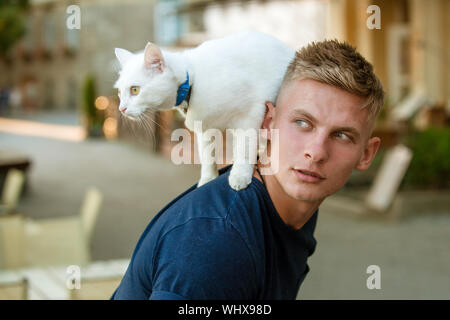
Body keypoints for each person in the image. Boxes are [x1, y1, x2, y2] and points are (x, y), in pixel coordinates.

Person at [111, 39, 384, 300]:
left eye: (342, 136)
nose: (316, 152)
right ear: (266, 122)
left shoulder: (295, 210)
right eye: (302, 123)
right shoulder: (216, 241)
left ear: (366, 154)